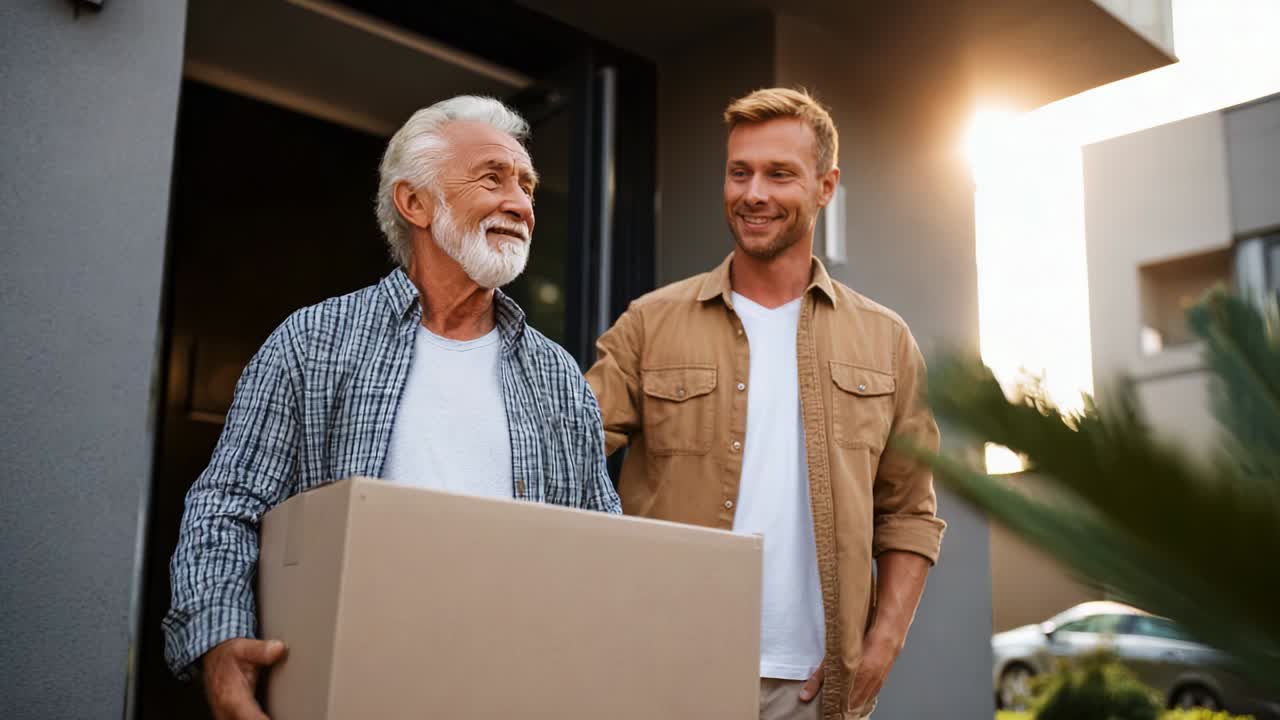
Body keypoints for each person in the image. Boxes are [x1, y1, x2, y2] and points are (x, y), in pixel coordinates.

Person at [163, 95, 620, 720]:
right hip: (346, 687)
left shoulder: (557, 375)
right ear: (415, 203)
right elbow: (228, 506)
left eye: (527, 185)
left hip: (514, 691)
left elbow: (602, 545)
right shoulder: (313, 341)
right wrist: (218, 641)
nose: (521, 204)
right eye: (493, 177)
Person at [585, 87, 945, 720]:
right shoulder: (649, 323)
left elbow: (909, 511)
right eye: (739, 171)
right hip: (665, 674)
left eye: (780, 174)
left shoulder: (886, 341)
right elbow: (560, 453)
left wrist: (882, 645)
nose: (753, 193)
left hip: (811, 691)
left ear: (826, 186)